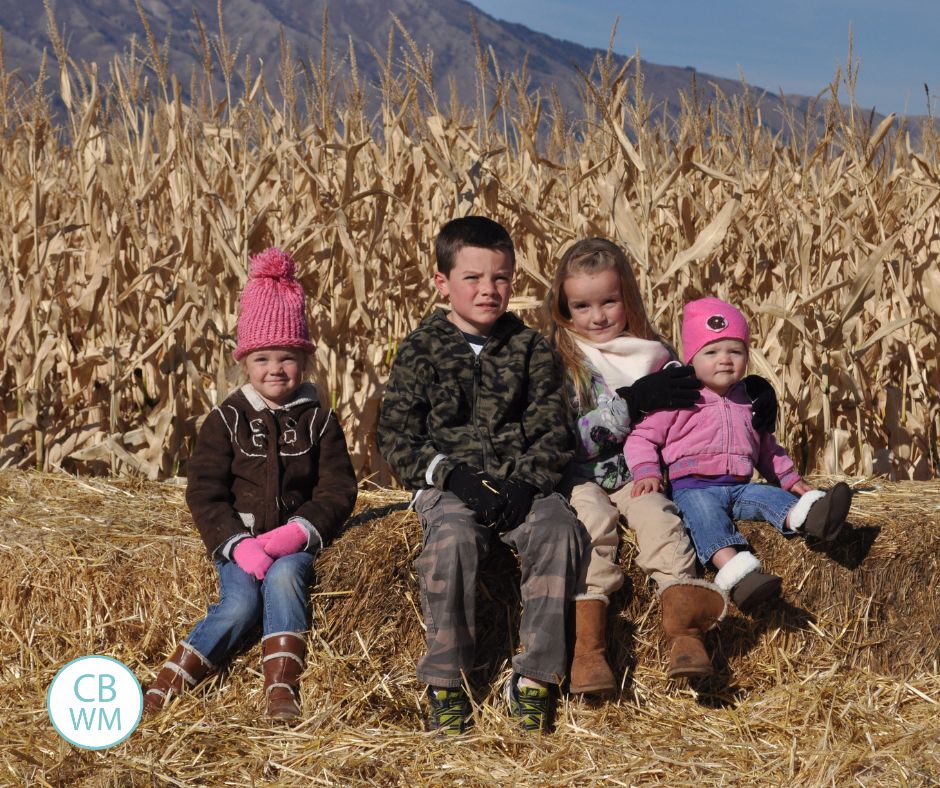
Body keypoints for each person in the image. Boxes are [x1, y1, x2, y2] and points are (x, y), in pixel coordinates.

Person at [377, 216, 588, 735]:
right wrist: (454, 478)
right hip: (451, 487)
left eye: (501, 278)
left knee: (560, 531)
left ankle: (536, 679)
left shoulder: (531, 349)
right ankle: (447, 684)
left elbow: (553, 431)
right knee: (452, 540)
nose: (488, 290)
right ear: (442, 283)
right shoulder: (421, 349)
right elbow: (398, 438)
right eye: (472, 278)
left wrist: (526, 485)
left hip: (519, 485)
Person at [143, 248, 358, 720]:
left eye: (287, 357)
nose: (275, 369)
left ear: (304, 360)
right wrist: (236, 545)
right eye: (262, 358)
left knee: (284, 579)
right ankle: (168, 683)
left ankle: (281, 688)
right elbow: (204, 491)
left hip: (293, 543)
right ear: (245, 363)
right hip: (241, 542)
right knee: (239, 603)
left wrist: (296, 533)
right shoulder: (226, 420)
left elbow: (339, 489)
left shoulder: (320, 420)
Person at [547, 238, 760, 692]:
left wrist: (753, 395)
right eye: (582, 306)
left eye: (609, 301)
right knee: (593, 527)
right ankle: (589, 651)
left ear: (629, 298)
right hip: (580, 478)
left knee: (662, 520)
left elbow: (701, 405)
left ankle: (685, 635)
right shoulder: (561, 363)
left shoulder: (656, 356)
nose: (598, 316)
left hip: (638, 474)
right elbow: (565, 437)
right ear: (565, 310)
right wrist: (631, 405)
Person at [625, 296, 852, 613]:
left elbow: (766, 447)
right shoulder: (679, 396)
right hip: (694, 488)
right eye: (712, 352)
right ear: (692, 358)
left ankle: (813, 518)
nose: (725, 360)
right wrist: (647, 471)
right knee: (707, 521)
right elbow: (642, 437)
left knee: (769, 497)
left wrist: (789, 479)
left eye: (735, 351)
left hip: (740, 485)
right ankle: (739, 576)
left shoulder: (748, 398)